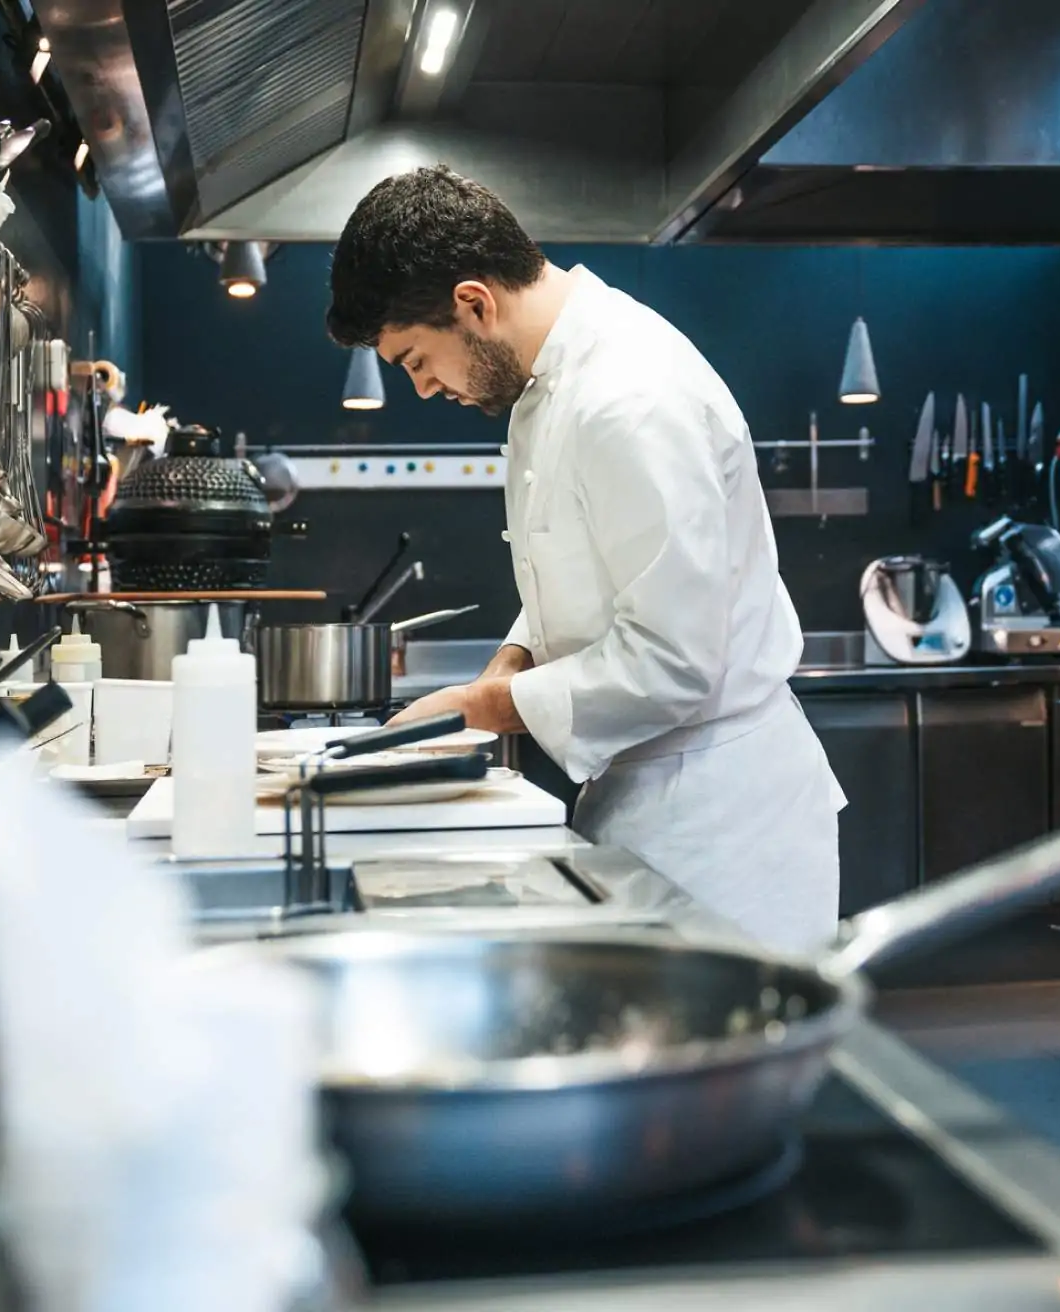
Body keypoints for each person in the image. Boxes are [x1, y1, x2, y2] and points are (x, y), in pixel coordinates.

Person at [326, 166, 845, 952]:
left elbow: (673, 661)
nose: (425, 389)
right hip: (645, 795)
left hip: (720, 829)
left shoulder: (629, 398)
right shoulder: (551, 385)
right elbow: (584, 571)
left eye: (414, 359)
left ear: (474, 304)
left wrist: (480, 709)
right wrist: (511, 659)